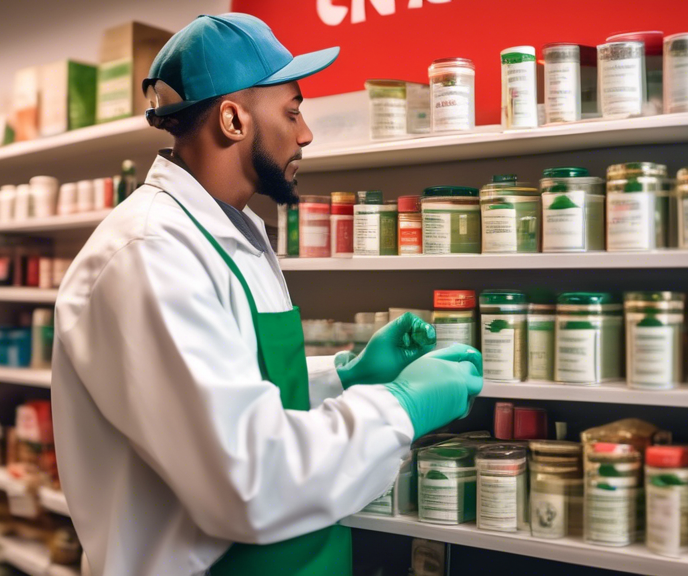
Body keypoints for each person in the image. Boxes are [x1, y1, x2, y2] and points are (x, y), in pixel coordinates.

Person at [51, 13, 483, 576]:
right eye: (293, 111)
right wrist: (400, 406)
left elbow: (232, 384)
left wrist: (342, 377)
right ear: (233, 119)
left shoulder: (234, 230)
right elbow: (245, 478)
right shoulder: (149, 253)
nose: (305, 133)